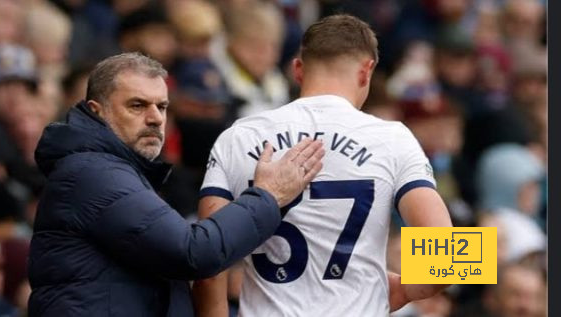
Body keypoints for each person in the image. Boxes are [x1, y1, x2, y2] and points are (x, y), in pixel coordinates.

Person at [27, 52, 325, 316]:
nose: (156, 118)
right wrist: (268, 196)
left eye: (162, 106)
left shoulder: (108, 169)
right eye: (137, 105)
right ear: (97, 111)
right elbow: (193, 252)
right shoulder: (93, 172)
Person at [194, 14, 453, 316]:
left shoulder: (238, 136)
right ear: (366, 71)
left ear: (298, 69)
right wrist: (408, 288)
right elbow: (447, 253)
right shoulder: (393, 138)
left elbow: (209, 262)